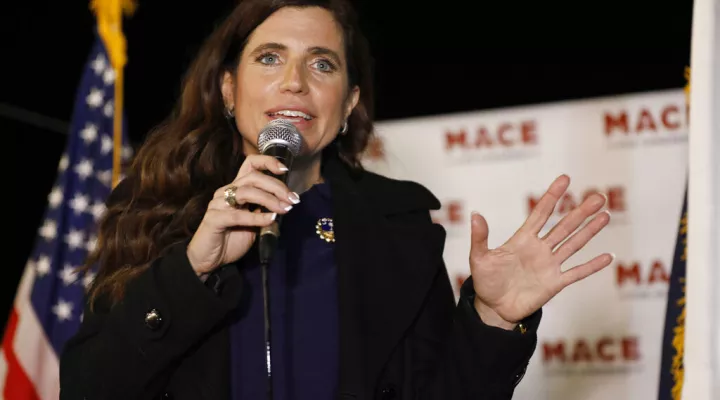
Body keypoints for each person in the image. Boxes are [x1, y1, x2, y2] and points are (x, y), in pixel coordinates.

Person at [58, 0, 614, 399]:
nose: (295, 81)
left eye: (321, 63)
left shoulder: (403, 230)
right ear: (228, 89)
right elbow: (87, 386)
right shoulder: (158, 214)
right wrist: (192, 269)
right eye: (269, 58)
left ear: (347, 104)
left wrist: (491, 319)